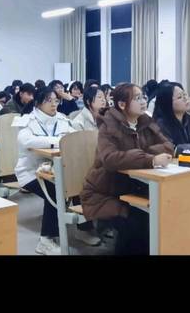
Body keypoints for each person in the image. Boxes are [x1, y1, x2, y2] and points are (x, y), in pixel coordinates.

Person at [80, 83, 174, 255]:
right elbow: (110, 159)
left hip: (135, 188)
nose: (143, 101)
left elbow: (168, 146)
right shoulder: (108, 126)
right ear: (122, 104)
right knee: (139, 221)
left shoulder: (145, 122)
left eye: (144, 97)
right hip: (104, 193)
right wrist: (150, 159)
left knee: (165, 212)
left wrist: (143, 155)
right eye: (137, 98)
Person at [15, 87, 89, 255]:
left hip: (57, 170)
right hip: (31, 172)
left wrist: (60, 141)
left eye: (56, 100)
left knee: (81, 184)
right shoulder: (28, 120)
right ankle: (45, 240)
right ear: (38, 103)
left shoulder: (61, 119)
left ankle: (84, 229)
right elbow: (26, 141)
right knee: (55, 191)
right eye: (48, 101)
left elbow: (74, 138)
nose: (54, 104)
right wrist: (57, 141)